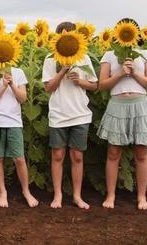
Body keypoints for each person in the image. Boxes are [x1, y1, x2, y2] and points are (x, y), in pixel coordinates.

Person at [97, 18, 147, 210]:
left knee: (141, 153)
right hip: (117, 104)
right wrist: (119, 74)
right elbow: (102, 85)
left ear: (136, 34)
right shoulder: (109, 55)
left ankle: (141, 197)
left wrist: (134, 73)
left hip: (140, 105)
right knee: (113, 152)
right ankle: (111, 196)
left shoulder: (145, 54)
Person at [42, 21, 98, 209]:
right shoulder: (51, 59)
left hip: (80, 114)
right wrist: (63, 70)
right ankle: (57, 195)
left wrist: (80, 81)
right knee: (57, 155)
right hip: (58, 113)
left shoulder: (84, 58)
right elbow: (48, 88)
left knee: (77, 156)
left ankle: (76, 196)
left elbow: (94, 85)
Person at [0, 64, 39, 208]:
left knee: (19, 158)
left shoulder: (18, 72)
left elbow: (23, 98)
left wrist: (12, 84)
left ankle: (26, 191)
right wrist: (3, 86)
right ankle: (3, 192)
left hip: (13, 121)